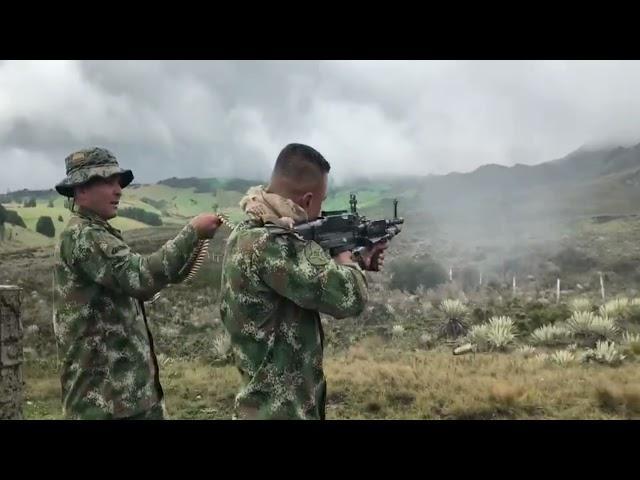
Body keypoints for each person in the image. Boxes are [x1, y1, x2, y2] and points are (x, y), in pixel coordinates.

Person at [220, 143, 387, 420]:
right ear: (308, 200)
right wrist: (348, 259)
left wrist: (356, 262)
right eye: (321, 202)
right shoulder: (272, 244)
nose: (321, 212)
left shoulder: (247, 233)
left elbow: (307, 277)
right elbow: (350, 298)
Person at [53, 147, 221, 420]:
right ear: (80, 190)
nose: (118, 190)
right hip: (106, 404)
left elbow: (145, 277)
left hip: (127, 399)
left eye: (118, 182)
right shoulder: (83, 236)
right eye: (107, 182)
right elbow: (141, 277)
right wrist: (192, 232)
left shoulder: (97, 233)